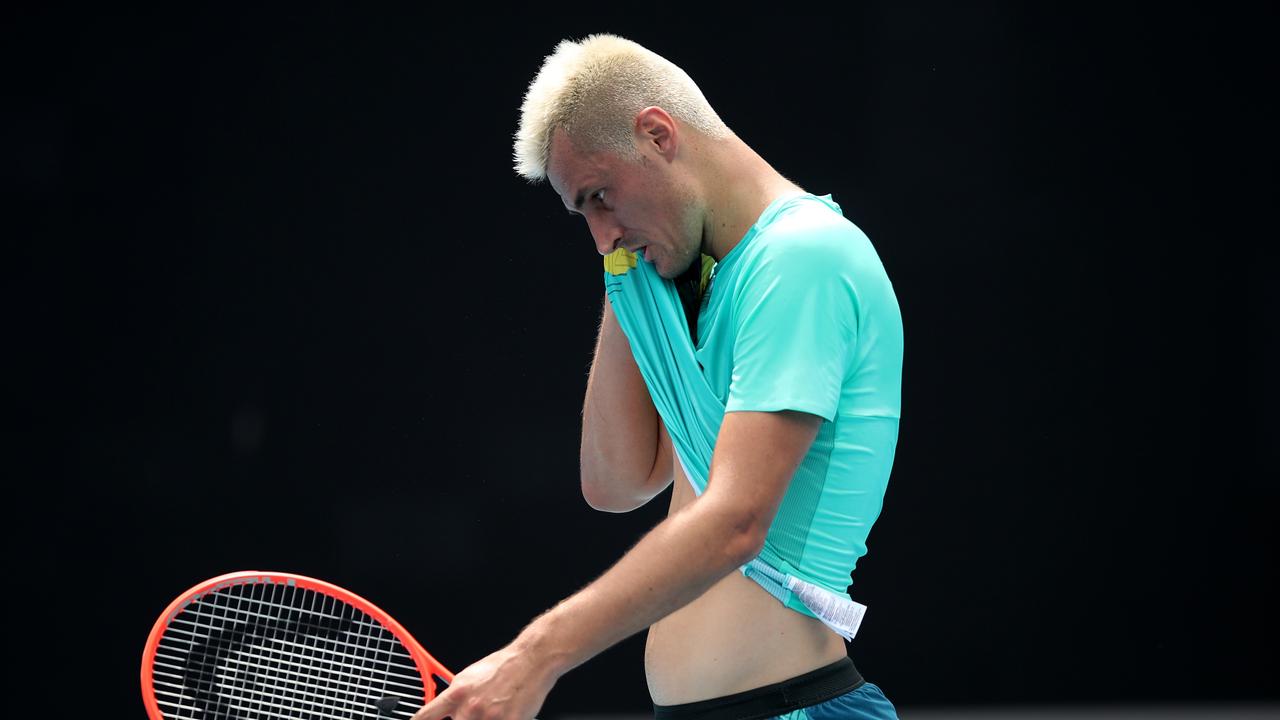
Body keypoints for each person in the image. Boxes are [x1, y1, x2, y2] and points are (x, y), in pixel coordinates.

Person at [413, 33, 903, 720]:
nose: (600, 233)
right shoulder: (707, 279)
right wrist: (627, 265)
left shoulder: (802, 260)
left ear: (657, 134)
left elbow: (735, 521)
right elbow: (615, 483)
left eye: (600, 196)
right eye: (580, 213)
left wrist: (535, 655)